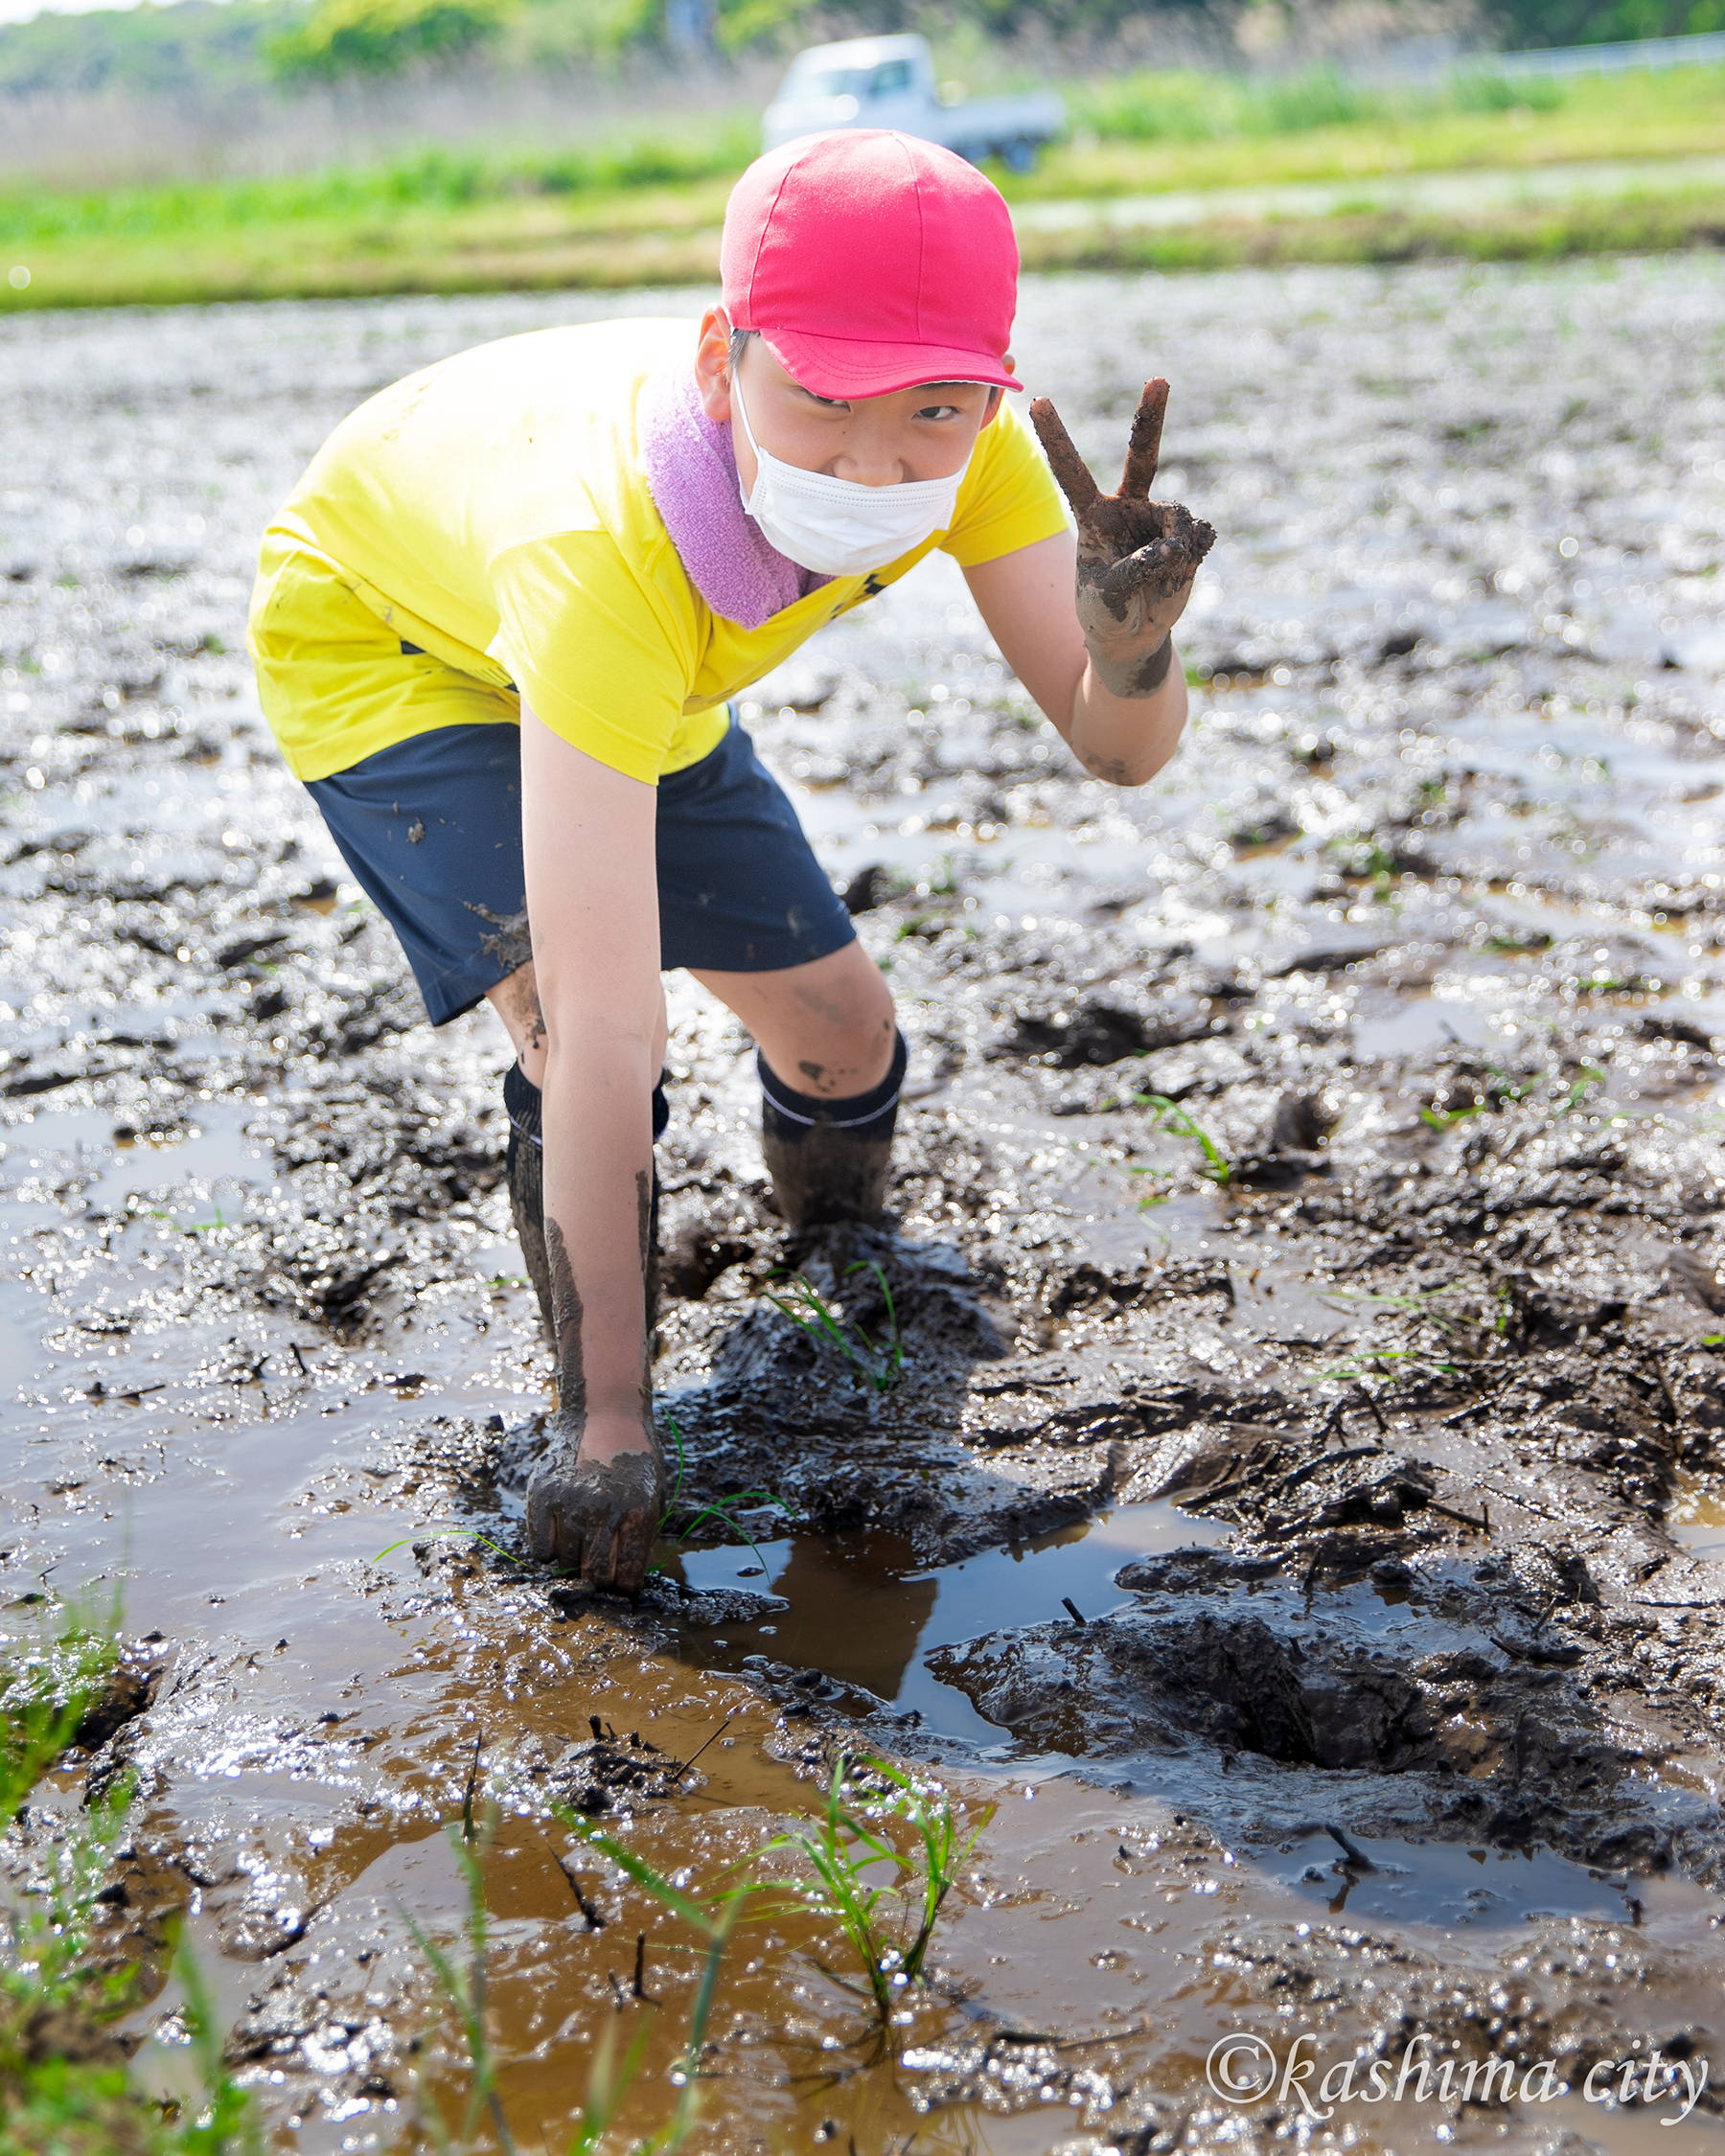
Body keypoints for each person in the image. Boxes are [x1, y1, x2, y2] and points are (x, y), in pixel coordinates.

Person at [247, 128, 1215, 1597]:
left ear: (990, 390)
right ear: (724, 364)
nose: (878, 459)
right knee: (585, 1032)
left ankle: (846, 1256)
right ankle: (590, 1386)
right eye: (822, 400)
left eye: (936, 409)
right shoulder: (597, 557)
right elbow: (613, 1020)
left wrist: (1130, 646)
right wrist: (616, 1429)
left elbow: (1121, 749)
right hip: (400, 646)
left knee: (840, 1029)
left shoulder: (981, 459)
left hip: (655, 667)